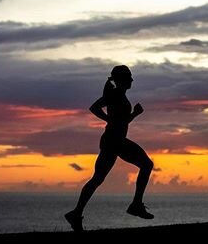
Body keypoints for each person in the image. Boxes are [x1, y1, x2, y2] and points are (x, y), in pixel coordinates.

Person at [65, 65, 154, 232]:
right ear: (121, 80)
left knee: (97, 179)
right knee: (146, 165)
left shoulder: (118, 95)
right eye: (129, 78)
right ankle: (135, 205)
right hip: (114, 141)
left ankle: (76, 213)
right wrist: (109, 119)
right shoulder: (115, 94)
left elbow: (121, 121)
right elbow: (94, 107)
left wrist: (133, 114)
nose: (132, 80)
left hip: (113, 141)